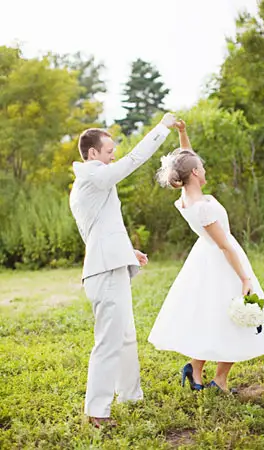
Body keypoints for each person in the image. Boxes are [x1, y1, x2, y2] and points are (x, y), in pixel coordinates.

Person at [148, 120, 264, 393]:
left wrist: (182, 133)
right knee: (233, 319)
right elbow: (225, 246)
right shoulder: (203, 208)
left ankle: (196, 371)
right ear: (195, 174)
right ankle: (219, 379)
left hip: (203, 259)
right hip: (223, 261)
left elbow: (185, 160)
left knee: (212, 316)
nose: (204, 168)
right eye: (201, 167)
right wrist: (244, 277)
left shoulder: (185, 198)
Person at [69, 113, 177, 427]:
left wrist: (128, 251)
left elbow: (102, 227)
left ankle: (130, 395)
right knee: (108, 341)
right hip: (103, 272)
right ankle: (97, 413)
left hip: (112, 263)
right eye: (108, 151)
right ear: (92, 154)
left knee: (126, 336)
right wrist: (161, 129)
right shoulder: (93, 176)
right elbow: (132, 160)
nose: (113, 154)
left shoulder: (94, 180)